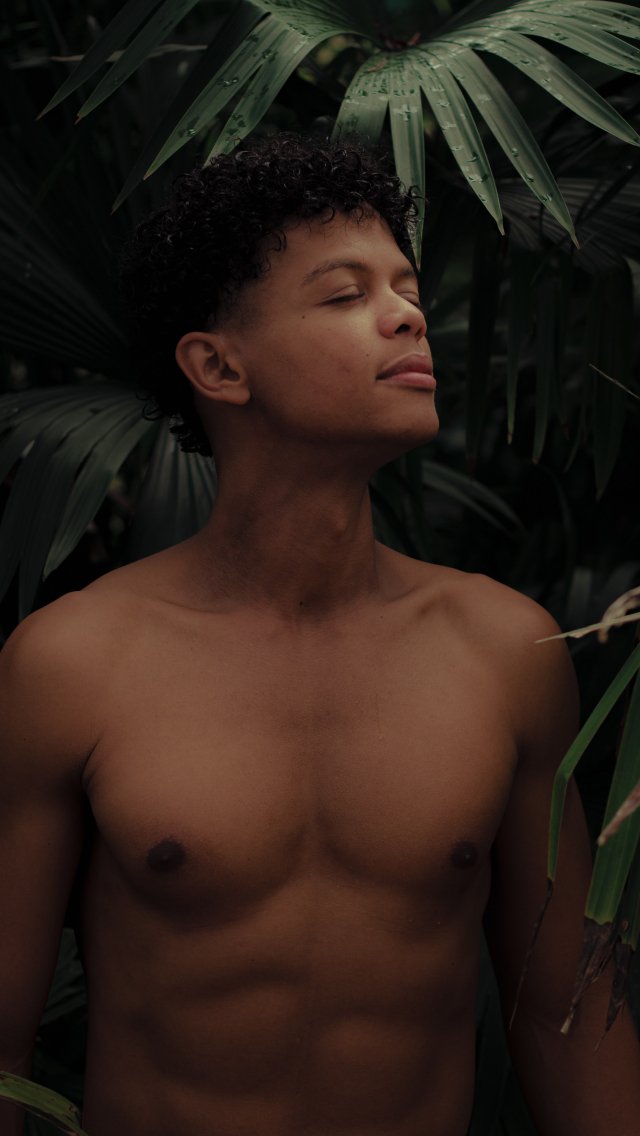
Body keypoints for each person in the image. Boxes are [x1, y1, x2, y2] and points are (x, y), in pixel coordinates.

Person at [0, 135, 638, 1136]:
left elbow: (568, 1015)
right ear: (219, 365)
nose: (407, 313)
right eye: (346, 294)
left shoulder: (503, 650)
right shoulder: (74, 662)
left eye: (406, 288)